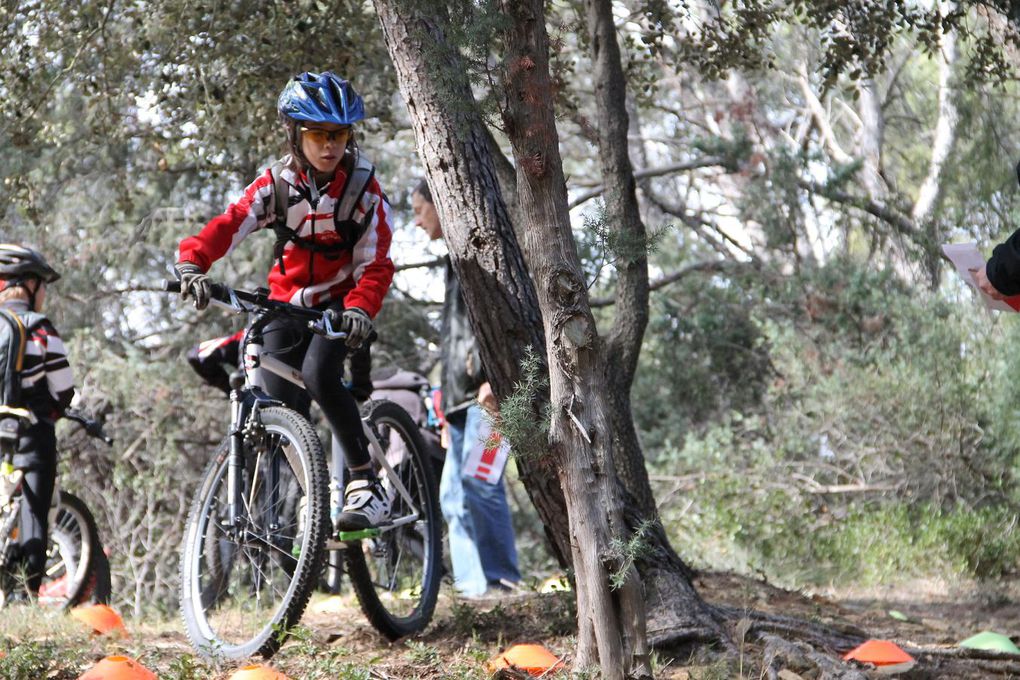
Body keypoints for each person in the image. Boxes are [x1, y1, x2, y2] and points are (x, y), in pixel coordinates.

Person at [174, 71, 394, 531]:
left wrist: (359, 309)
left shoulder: (363, 190)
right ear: (295, 134)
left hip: (340, 307)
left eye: (339, 134)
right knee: (278, 406)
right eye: (318, 134)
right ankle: (305, 514)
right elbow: (231, 222)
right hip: (285, 304)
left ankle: (364, 481)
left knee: (318, 373)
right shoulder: (276, 185)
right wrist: (193, 263)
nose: (330, 145)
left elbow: (376, 263)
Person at [411, 180, 521, 597]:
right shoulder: (453, 263)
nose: (418, 222)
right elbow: (455, 338)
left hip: (488, 395)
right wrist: (443, 410)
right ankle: (473, 590)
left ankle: (501, 581)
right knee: (453, 495)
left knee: (482, 481)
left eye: (421, 211)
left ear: (441, 205)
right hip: (457, 402)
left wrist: (494, 378)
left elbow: (496, 323)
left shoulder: (478, 258)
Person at [0, 245, 74, 599]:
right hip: (31, 430)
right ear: (28, 285)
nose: (45, 293)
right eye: (43, 285)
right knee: (34, 511)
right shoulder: (40, 328)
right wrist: (55, 410)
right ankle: (25, 595)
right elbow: (62, 386)